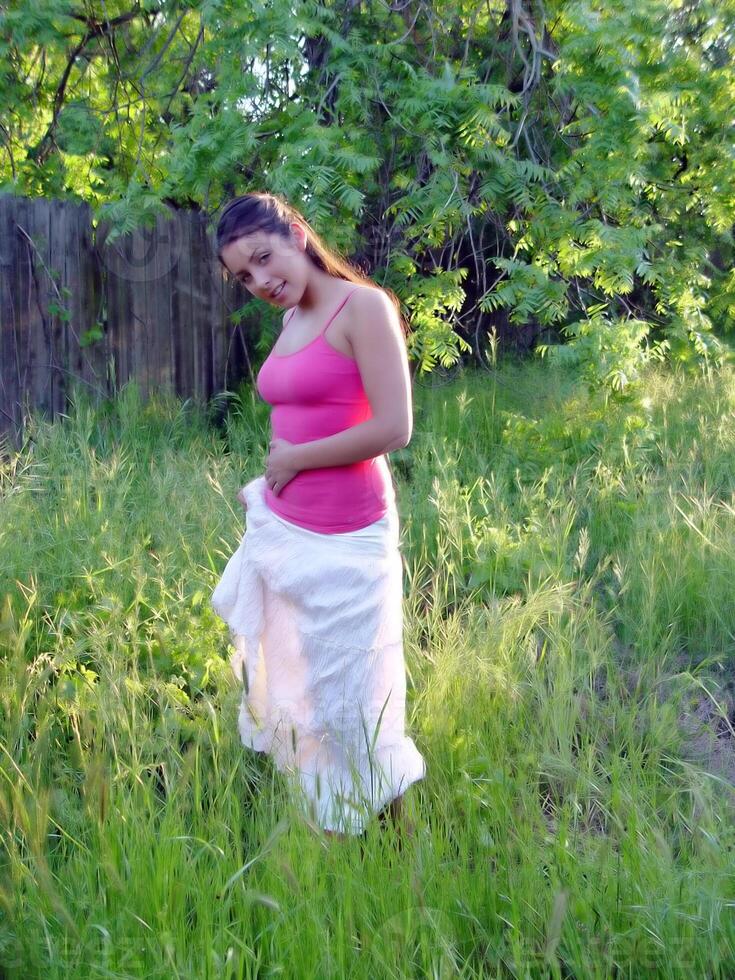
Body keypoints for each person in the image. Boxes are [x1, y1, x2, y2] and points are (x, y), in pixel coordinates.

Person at [211, 191, 426, 842]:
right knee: (302, 695)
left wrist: (296, 458)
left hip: (349, 540)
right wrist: (278, 481)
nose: (260, 282)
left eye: (263, 259)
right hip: (288, 534)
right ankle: (331, 829)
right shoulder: (289, 321)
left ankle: (393, 848)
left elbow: (394, 426)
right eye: (243, 277)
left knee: (357, 702)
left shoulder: (362, 308)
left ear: (298, 233)